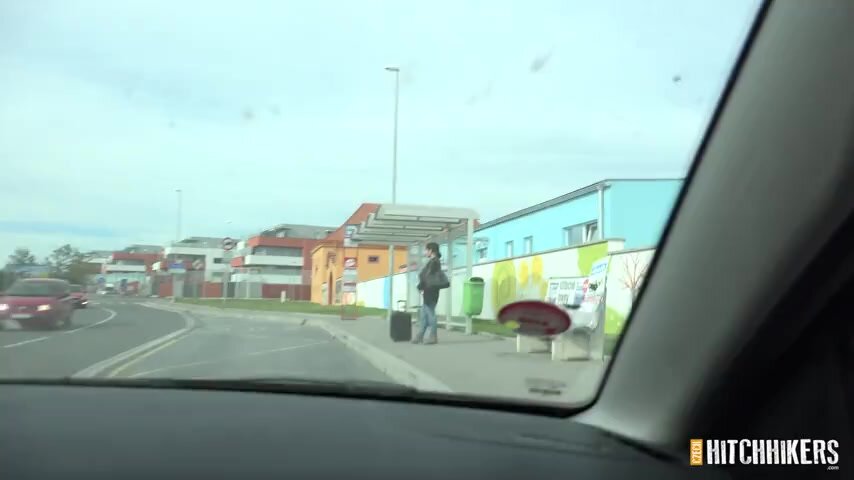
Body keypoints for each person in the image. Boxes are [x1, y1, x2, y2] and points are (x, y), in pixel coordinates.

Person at [414, 242, 446, 344]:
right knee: (424, 315)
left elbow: (427, 277)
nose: (425, 252)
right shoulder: (434, 262)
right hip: (430, 291)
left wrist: (420, 285)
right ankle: (420, 335)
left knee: (430, 314)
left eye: (426, 250)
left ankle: (433, 336)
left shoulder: (434, 262)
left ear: (431, 250)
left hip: (431, 291)